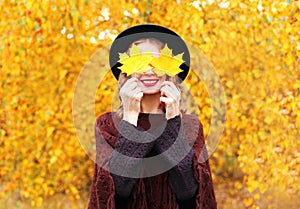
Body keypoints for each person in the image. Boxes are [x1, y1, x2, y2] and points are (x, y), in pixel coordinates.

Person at [88, 24, 217, 209]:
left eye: (157, 62)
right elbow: (115, 194)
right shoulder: (107, 125)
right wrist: (130, 119)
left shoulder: (190, 126)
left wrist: (172, 122)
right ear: (127, 69)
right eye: (140, 61)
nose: (149, 70)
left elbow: (189, 194)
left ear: (170, 70)